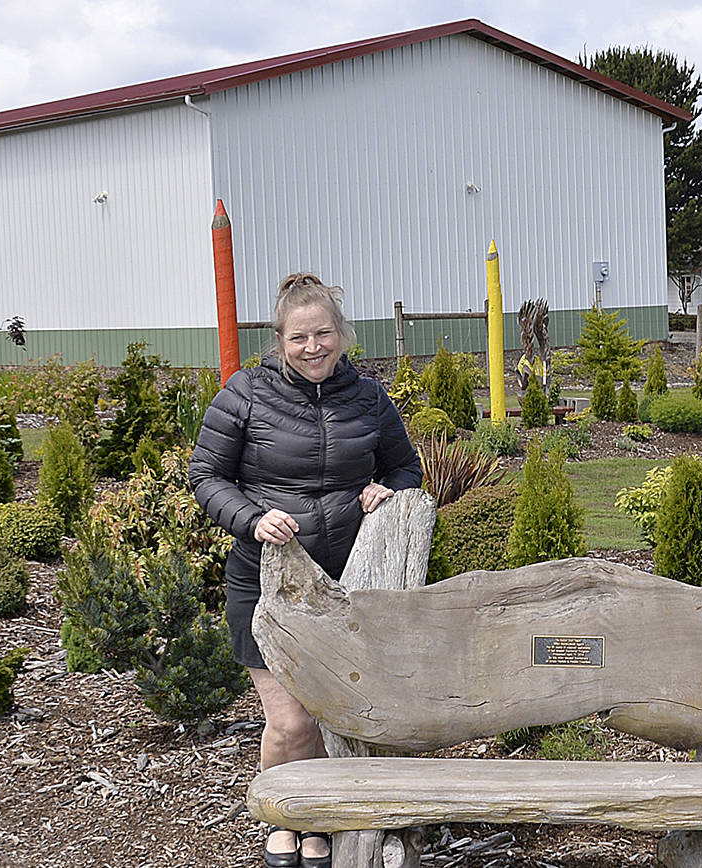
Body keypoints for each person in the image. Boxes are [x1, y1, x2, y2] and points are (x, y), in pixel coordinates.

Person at [189, 273, 422, 868]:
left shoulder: (368, 399)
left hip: (346, 587)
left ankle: (318, 816)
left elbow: (405, 469)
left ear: (342, 335)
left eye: (323, 333)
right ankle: (283, 814)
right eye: (300, 337)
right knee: (291, 718)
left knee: (330, 713)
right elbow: (206, 478)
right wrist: (250, 518)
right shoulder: (245, 394)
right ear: (280, 340)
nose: (313, 346)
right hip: (266, 581)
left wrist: (384, 492)